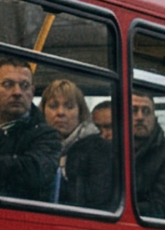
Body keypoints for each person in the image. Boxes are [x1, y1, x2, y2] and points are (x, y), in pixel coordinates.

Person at [0, 57, 59, 201]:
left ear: (32, 92)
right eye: (8, 84)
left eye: (24, 85)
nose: (17, 92)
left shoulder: (47, 135)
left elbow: (34, 173)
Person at [39, 77, 113, 210]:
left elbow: (97, 201)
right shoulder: (38, 147)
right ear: (43, 111)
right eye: (53, 106)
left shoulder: (98, 148)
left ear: (80, 112)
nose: (60, 113)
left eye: (69, 106)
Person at [129, 91, 165, 220]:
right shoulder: (112, 149)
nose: (140, 117)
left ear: (154, 118)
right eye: (133, 110)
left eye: (146, 111)